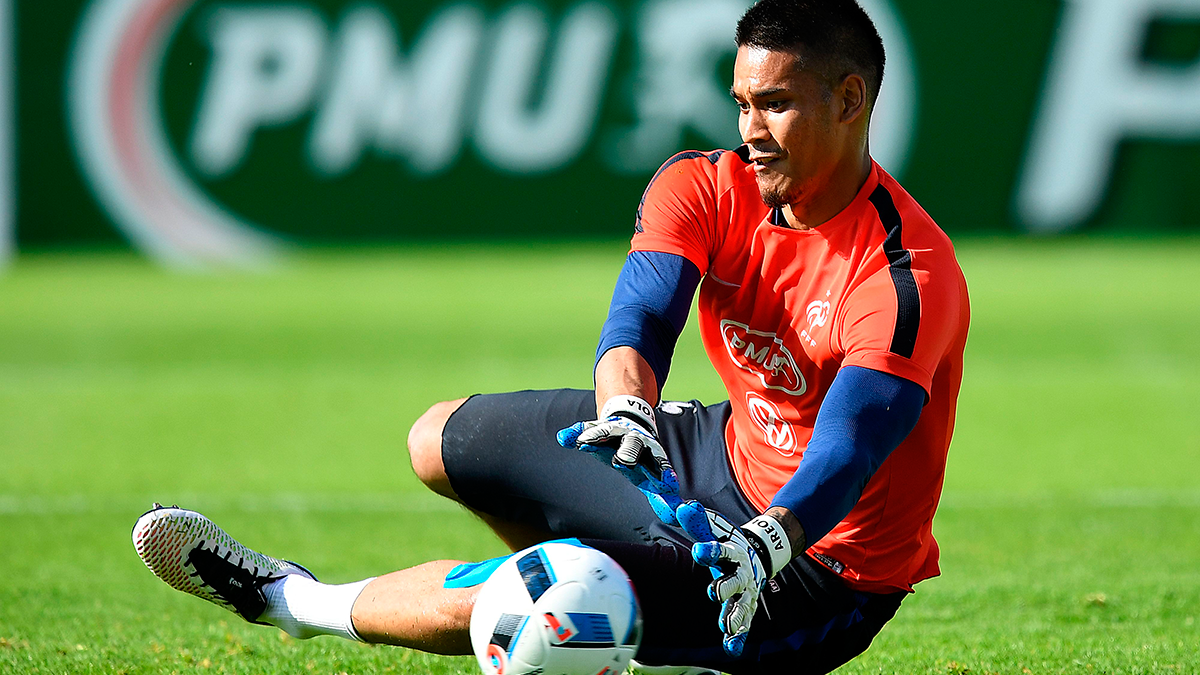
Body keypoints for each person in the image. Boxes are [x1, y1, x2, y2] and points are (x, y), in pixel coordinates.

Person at [131, 1, 969, 673]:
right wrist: (630, 411)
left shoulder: (904, 274)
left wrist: (768, 543)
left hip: (816, 570)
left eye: (777, 104)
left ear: (850, 99)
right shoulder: (701, 185)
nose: (751, 129)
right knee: (438, 439)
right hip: (720, 459)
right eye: (743, 102)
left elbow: (852, 445)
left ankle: (289, 601)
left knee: (534, 600)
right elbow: (641, 316)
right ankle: (618, 621)